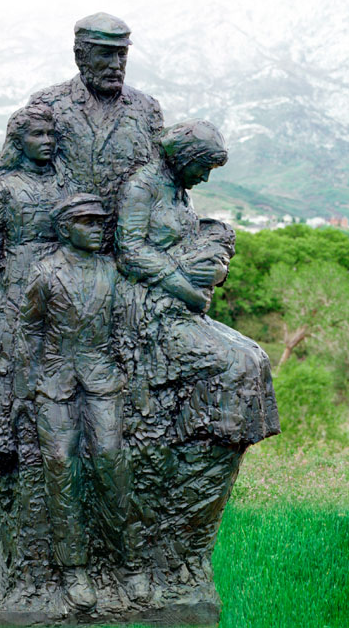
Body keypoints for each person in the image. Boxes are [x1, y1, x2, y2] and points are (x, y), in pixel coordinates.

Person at [115, 119, 280, 587]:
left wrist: (212, 262)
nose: (205, 179)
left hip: (181, 304)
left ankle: (220, 433)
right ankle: (211, 429)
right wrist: (183, 283)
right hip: (148, 308)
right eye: (203, 167)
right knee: (237, 364)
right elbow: (129, 251)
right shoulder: (142, 187)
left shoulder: (179, 191)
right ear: (183, 157)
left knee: (256, 356)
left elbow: (183, 241)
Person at [15, 193, 128, 611]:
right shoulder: (44, 273)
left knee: (110, 459)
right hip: (55, 382)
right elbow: (29, 329)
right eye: (87, 222)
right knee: (62, 466)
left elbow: (125, 325)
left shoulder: (111, 270)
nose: (98, 229)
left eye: (100, 222)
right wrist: (28, 386)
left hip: (101, 378)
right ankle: (74, 569)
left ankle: (126, 560)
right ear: (65, 229)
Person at [0, 12, 164, 249]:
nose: (116, 65)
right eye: (105, 54)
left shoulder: (147, 108)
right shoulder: (48, 103)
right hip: (64, 246)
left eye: (122, 54)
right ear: (80, 56)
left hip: (127, 245)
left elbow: (161, 178)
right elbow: (13, 169)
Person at [0, 101, 66, 472]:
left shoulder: (63, 182)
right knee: (10, 356)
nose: (47, 141)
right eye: (38, 134)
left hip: (63, 281)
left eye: (51, 134)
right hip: (15, 284)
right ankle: (4, 436)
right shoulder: (1, 186)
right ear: (19, 142)